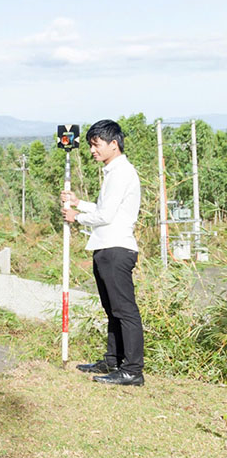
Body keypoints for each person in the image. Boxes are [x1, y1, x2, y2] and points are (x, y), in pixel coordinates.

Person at [62, 119, 144, 386]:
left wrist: (76, 217)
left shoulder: (122, 173)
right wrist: (79, 203)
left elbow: (106, 215)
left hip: (116, 247)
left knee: (125, 310)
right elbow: (105, 207)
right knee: (112, 309)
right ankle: (113, 360)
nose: (92, 150)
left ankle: (132, 370)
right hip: (106, 246)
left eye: (96, 145)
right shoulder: (113, 171)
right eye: (90, 145)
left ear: (113, 144)